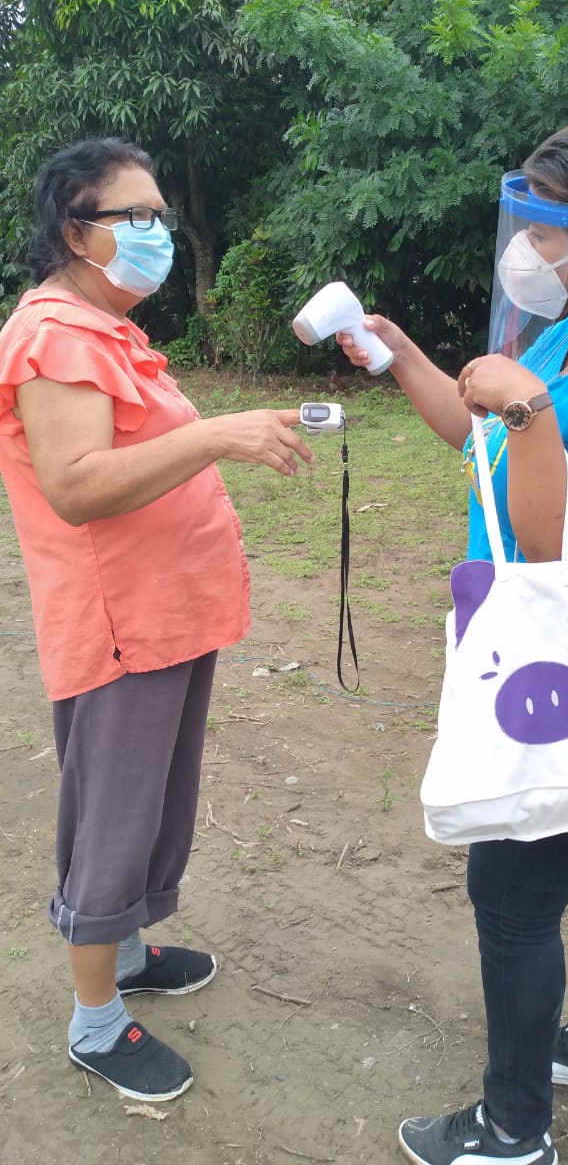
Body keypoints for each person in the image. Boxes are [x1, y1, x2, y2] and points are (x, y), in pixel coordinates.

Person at [338, 117, 568, 1165]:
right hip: (555, 657)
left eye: (544, 234)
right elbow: (480, 435)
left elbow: (566, 551)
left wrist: (535, 412)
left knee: (510, 897)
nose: (525, 253)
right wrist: (405, 356)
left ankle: (513, 1131)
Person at [0, 138, 313, 1103]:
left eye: (160, 217)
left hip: (168, 617)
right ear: (75, 232)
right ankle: (96, 1022)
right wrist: (215, 434)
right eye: (132, 216)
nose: (155, 233)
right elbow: (76, 486)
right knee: (115, 815)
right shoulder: (55, 334)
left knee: (153, 804)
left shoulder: (109, 330)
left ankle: (129, 954)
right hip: (121, 628)